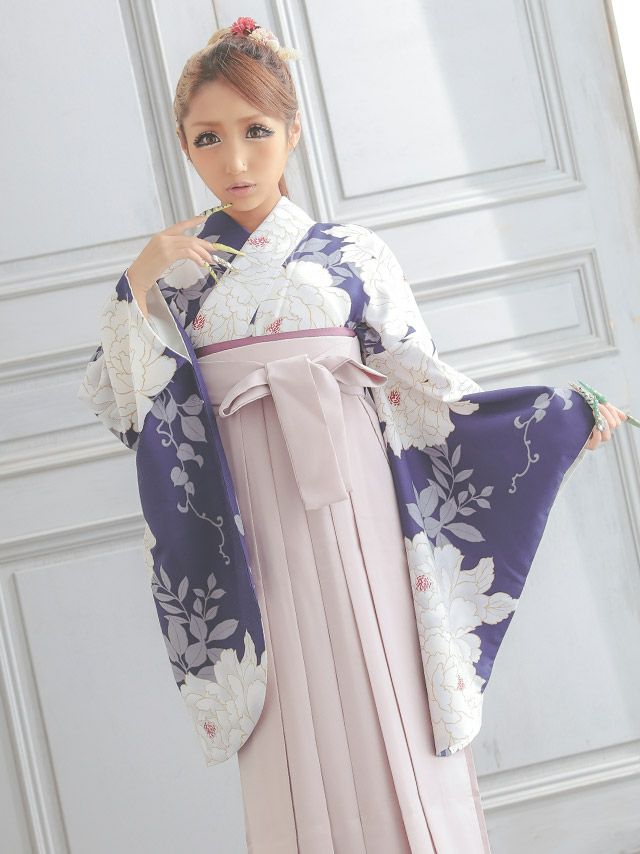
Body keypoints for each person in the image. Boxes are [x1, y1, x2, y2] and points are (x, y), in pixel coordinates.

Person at [77, 16, 632, 853]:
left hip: (359, 496)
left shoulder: (353, 253)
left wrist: (555, 419)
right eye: (208, 138)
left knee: (389, 679)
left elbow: (426, 384)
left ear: (293, 131)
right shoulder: (179, 275)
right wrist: (139, 277)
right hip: (249, 516)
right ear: (185, 145)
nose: (235, 160)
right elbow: (125, 405)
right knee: (286, 701)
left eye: (256, 131)